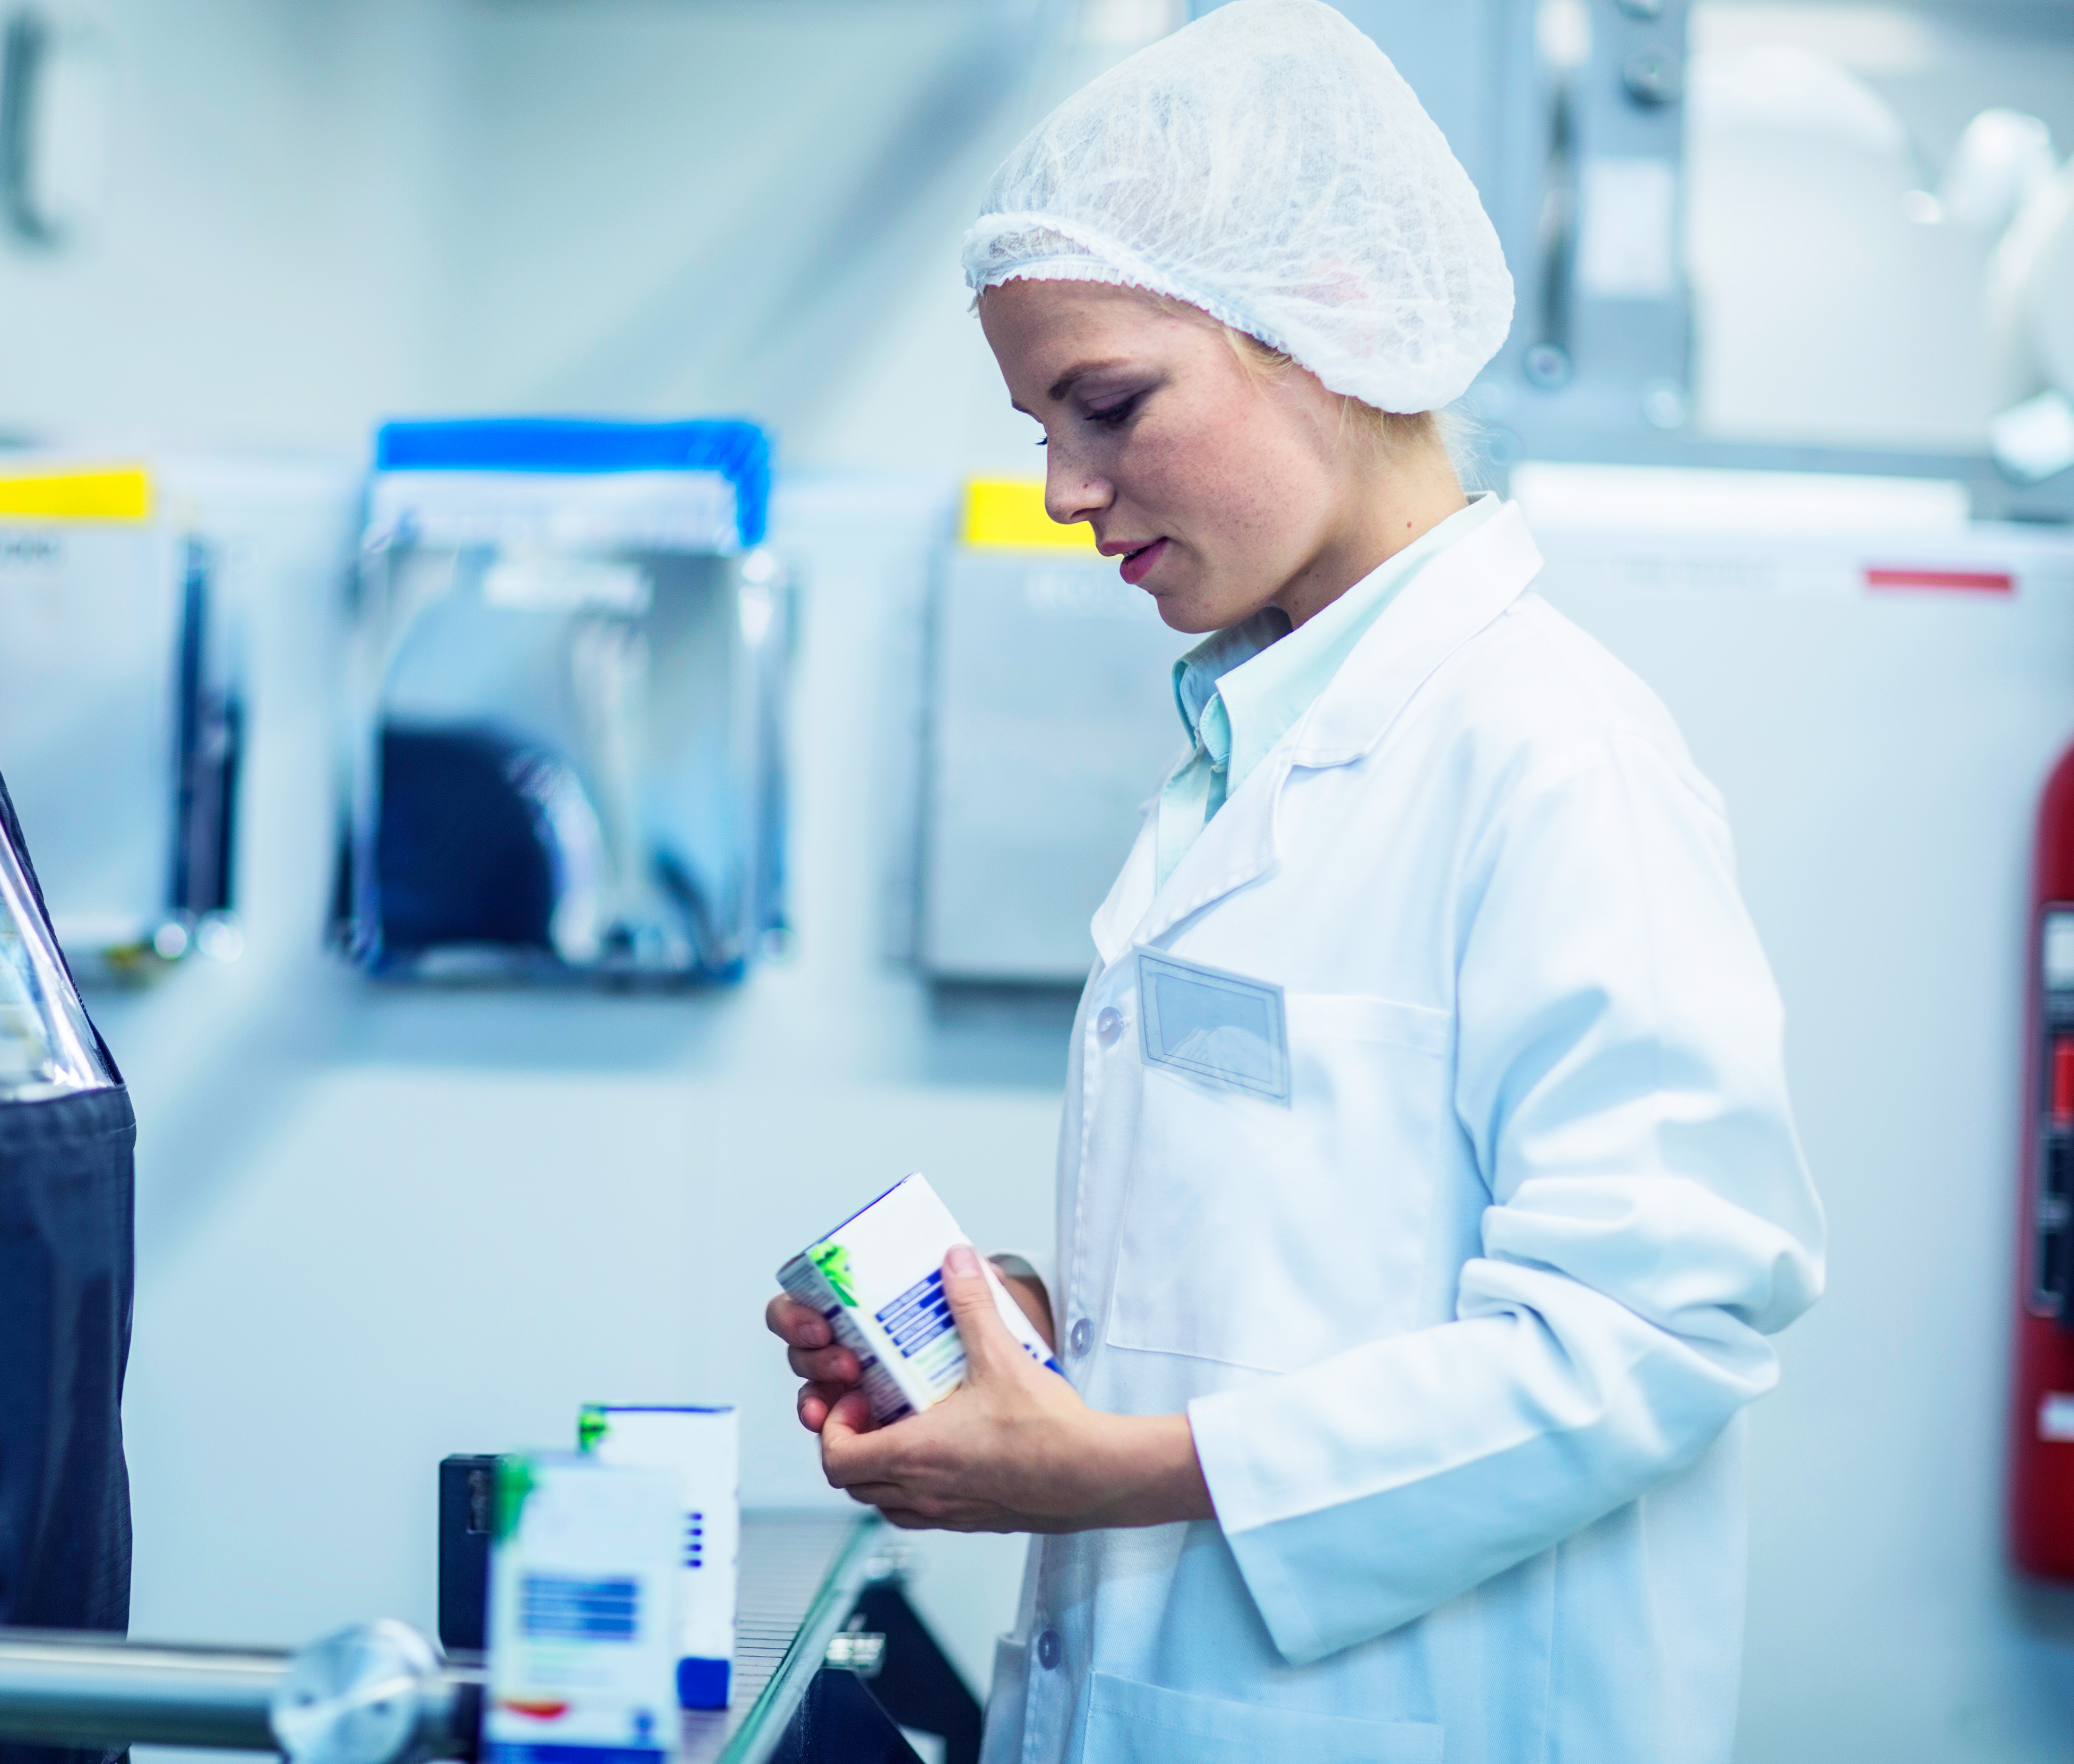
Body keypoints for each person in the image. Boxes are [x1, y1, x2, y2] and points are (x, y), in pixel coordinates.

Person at [764, 4, 1824, 1760]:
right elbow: (1305, 1282)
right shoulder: (1254, 742)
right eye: (1041, 424)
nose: (1059, 490)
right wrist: (1038, 1341)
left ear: (1326, 321)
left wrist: (1115, 1470)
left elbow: (1658, 1328)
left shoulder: (1549, 753)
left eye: (1107, 406)